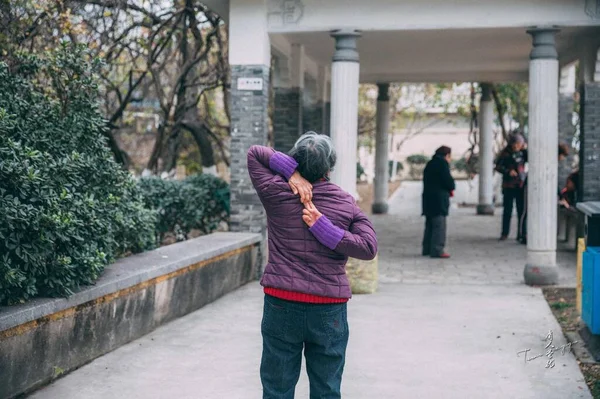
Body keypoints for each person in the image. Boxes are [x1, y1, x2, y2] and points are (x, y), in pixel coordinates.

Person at [247, 132, 378, 399]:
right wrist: (328, 230)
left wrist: (291, 175)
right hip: (328, 310)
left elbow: (255, 154)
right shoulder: (345, 202)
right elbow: (368, 247)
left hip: (281, 304)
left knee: (277, 389)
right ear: (330, 167)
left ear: (294, 159)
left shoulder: (275, 191)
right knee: (326, 389)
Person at [518, 143, 570, 244]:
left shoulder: (551, 162)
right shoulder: (548, 161)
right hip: (530, 185)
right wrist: (561, 196)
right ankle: (523, 235)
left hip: (539, 187)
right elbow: (553, 180)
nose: (562, 159)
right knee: (526, 211)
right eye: (563, 156)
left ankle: (528, 235)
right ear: (559, 154)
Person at [422, 145, 455, 259]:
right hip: (439, 200)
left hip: (428, 199)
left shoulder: (430, 164)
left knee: (429, 225)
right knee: (439, 226)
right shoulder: (442, 164)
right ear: (447, 155)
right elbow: (449, 182)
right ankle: (437, 250)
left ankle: (426, 248)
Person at [495, 133, 527, 241]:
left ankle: (521, 233)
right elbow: (498, 166)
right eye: (515, 143)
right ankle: (504, 233)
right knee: (507, 210)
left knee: (521, 210)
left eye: (519, 144)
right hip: (508, 185)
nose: (516, 146)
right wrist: (508, 171)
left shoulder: (523, 153)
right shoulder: (505, 154)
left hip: (520, 185)